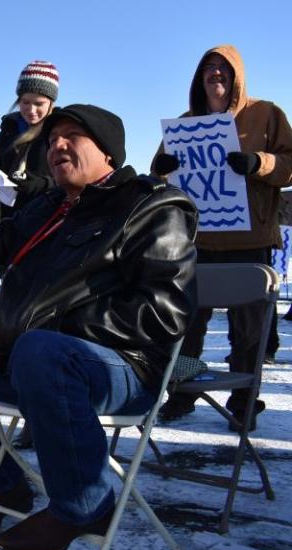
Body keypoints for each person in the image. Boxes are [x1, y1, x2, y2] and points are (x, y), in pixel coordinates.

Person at [0, 105, 197, 550]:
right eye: (53, 138)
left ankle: (84, 505)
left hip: (122, 367)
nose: (57, 145)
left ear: (108, 151)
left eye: (72, 136)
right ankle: (6, 490)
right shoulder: (49, 206)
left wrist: (54, 332)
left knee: (42, 351)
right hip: (34, 361)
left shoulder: (150, 204)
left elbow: (163, 313)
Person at [153, 45, 292, 429]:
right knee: (185, 327)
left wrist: (259, 163)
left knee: (249, 332)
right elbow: (159, 174)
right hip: (197, 242)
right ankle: (181, 395)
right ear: (199, 79)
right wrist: (162, 167)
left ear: (236, 77)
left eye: (223, 69)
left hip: (250, 243)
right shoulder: (185, 124)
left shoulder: (267, 114)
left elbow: (289, 164)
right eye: (208, 69)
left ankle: (245, 400)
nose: (215, 74)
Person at [0, 60, 59, 211]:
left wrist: (44, 184)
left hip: (44, 215)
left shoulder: (60, 130)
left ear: (50, 103)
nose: (31, 110)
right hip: (6, 217)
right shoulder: (7, 131)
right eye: (25, 102)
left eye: (39, 103)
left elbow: (77, 177)